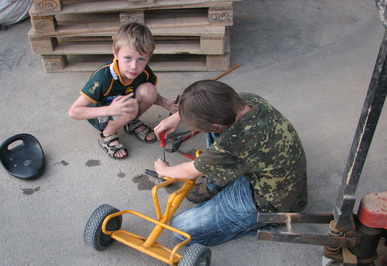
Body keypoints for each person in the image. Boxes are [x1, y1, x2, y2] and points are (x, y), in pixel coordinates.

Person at [154, 80, 307, 246]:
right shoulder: (248, 101)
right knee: (216, 138)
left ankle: (264, 222)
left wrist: (164, 170)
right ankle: (215, 186)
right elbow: (216, 111)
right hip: (277, 173)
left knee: (181, 229)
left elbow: (190, 171)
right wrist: (178, 116)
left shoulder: (233, 141)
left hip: (273, 200)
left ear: (216, 125)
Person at [68, 22, 178, 159]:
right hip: (99, 113)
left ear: (149, 57)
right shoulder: (103, 78)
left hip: (122, 106)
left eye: (141, 59)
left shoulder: (144, 72)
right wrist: (110, 110)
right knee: (130, 106)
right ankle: (107, 134)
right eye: (127, 58)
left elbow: (151, 94)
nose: (134, 66)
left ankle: (130, 121)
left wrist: (165, 103)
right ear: (115, 52)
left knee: (149, 90)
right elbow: (74, 112)